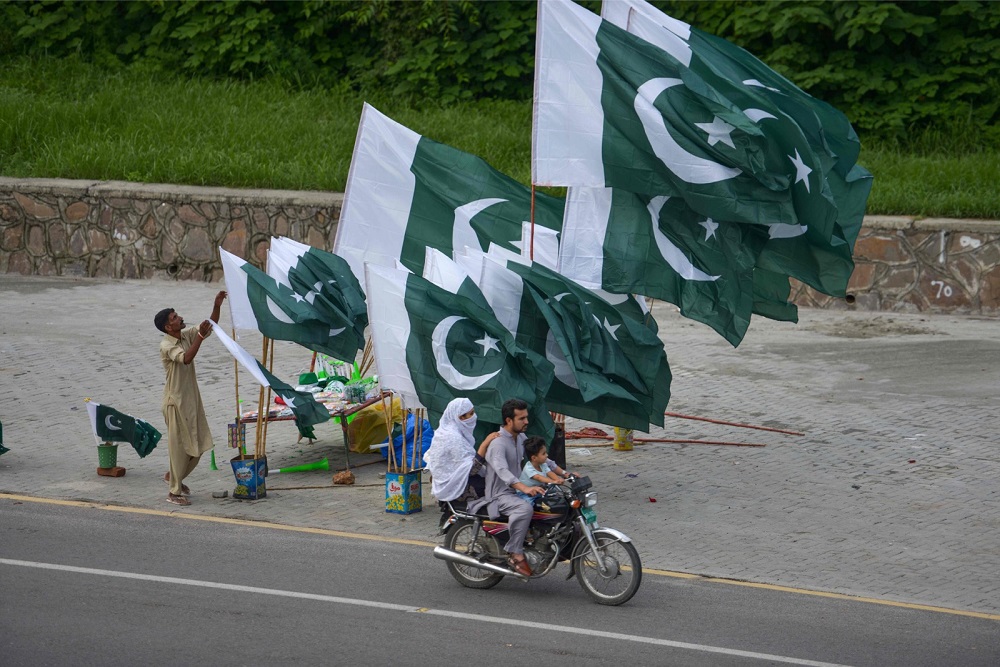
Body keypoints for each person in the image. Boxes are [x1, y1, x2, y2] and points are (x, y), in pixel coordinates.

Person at [154, 290, 226, 506]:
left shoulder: (185, 335)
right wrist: (201, 338)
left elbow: (209, 325)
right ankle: (174, 492)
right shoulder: (166, 346)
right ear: (168, 327)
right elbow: (186, 358)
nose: (180, 318)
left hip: (191, 401)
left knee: (199, 445)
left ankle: (174, 476)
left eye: (177, 315)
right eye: (175, 318)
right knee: (179, 449)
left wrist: (217, 305)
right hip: (174, 403)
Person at [469, 398, 545, 577]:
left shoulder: (520, 439)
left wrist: (560, 474)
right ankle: (515, 553)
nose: (526, 421)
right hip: (499, 494)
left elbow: (539, 456)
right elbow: (502, 470)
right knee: (524, 508)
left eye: (526, 417)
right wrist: (524, 488)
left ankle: (533, 538)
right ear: (509, 421)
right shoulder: (498, 443)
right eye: (522, 418)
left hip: (515, 490)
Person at [424, 397, 498, 503]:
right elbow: (472, 470)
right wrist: (485, 444)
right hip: (453, 485)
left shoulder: (445, 431)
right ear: (460, 417)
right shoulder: (453, 437)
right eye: (471, 414)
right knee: (493, 488)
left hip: (448, 481)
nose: (474, 417)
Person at [515, 436, 571, 503]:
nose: (547, 455)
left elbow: (550, 473)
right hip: (525, 492)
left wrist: (557, 480)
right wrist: (553, 481)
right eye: (543, 454)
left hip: (539, 489)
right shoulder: (528, 468)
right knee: (528, 503)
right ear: (534, 458)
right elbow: (539, 477)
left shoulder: (543, 464)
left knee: (557, 494)